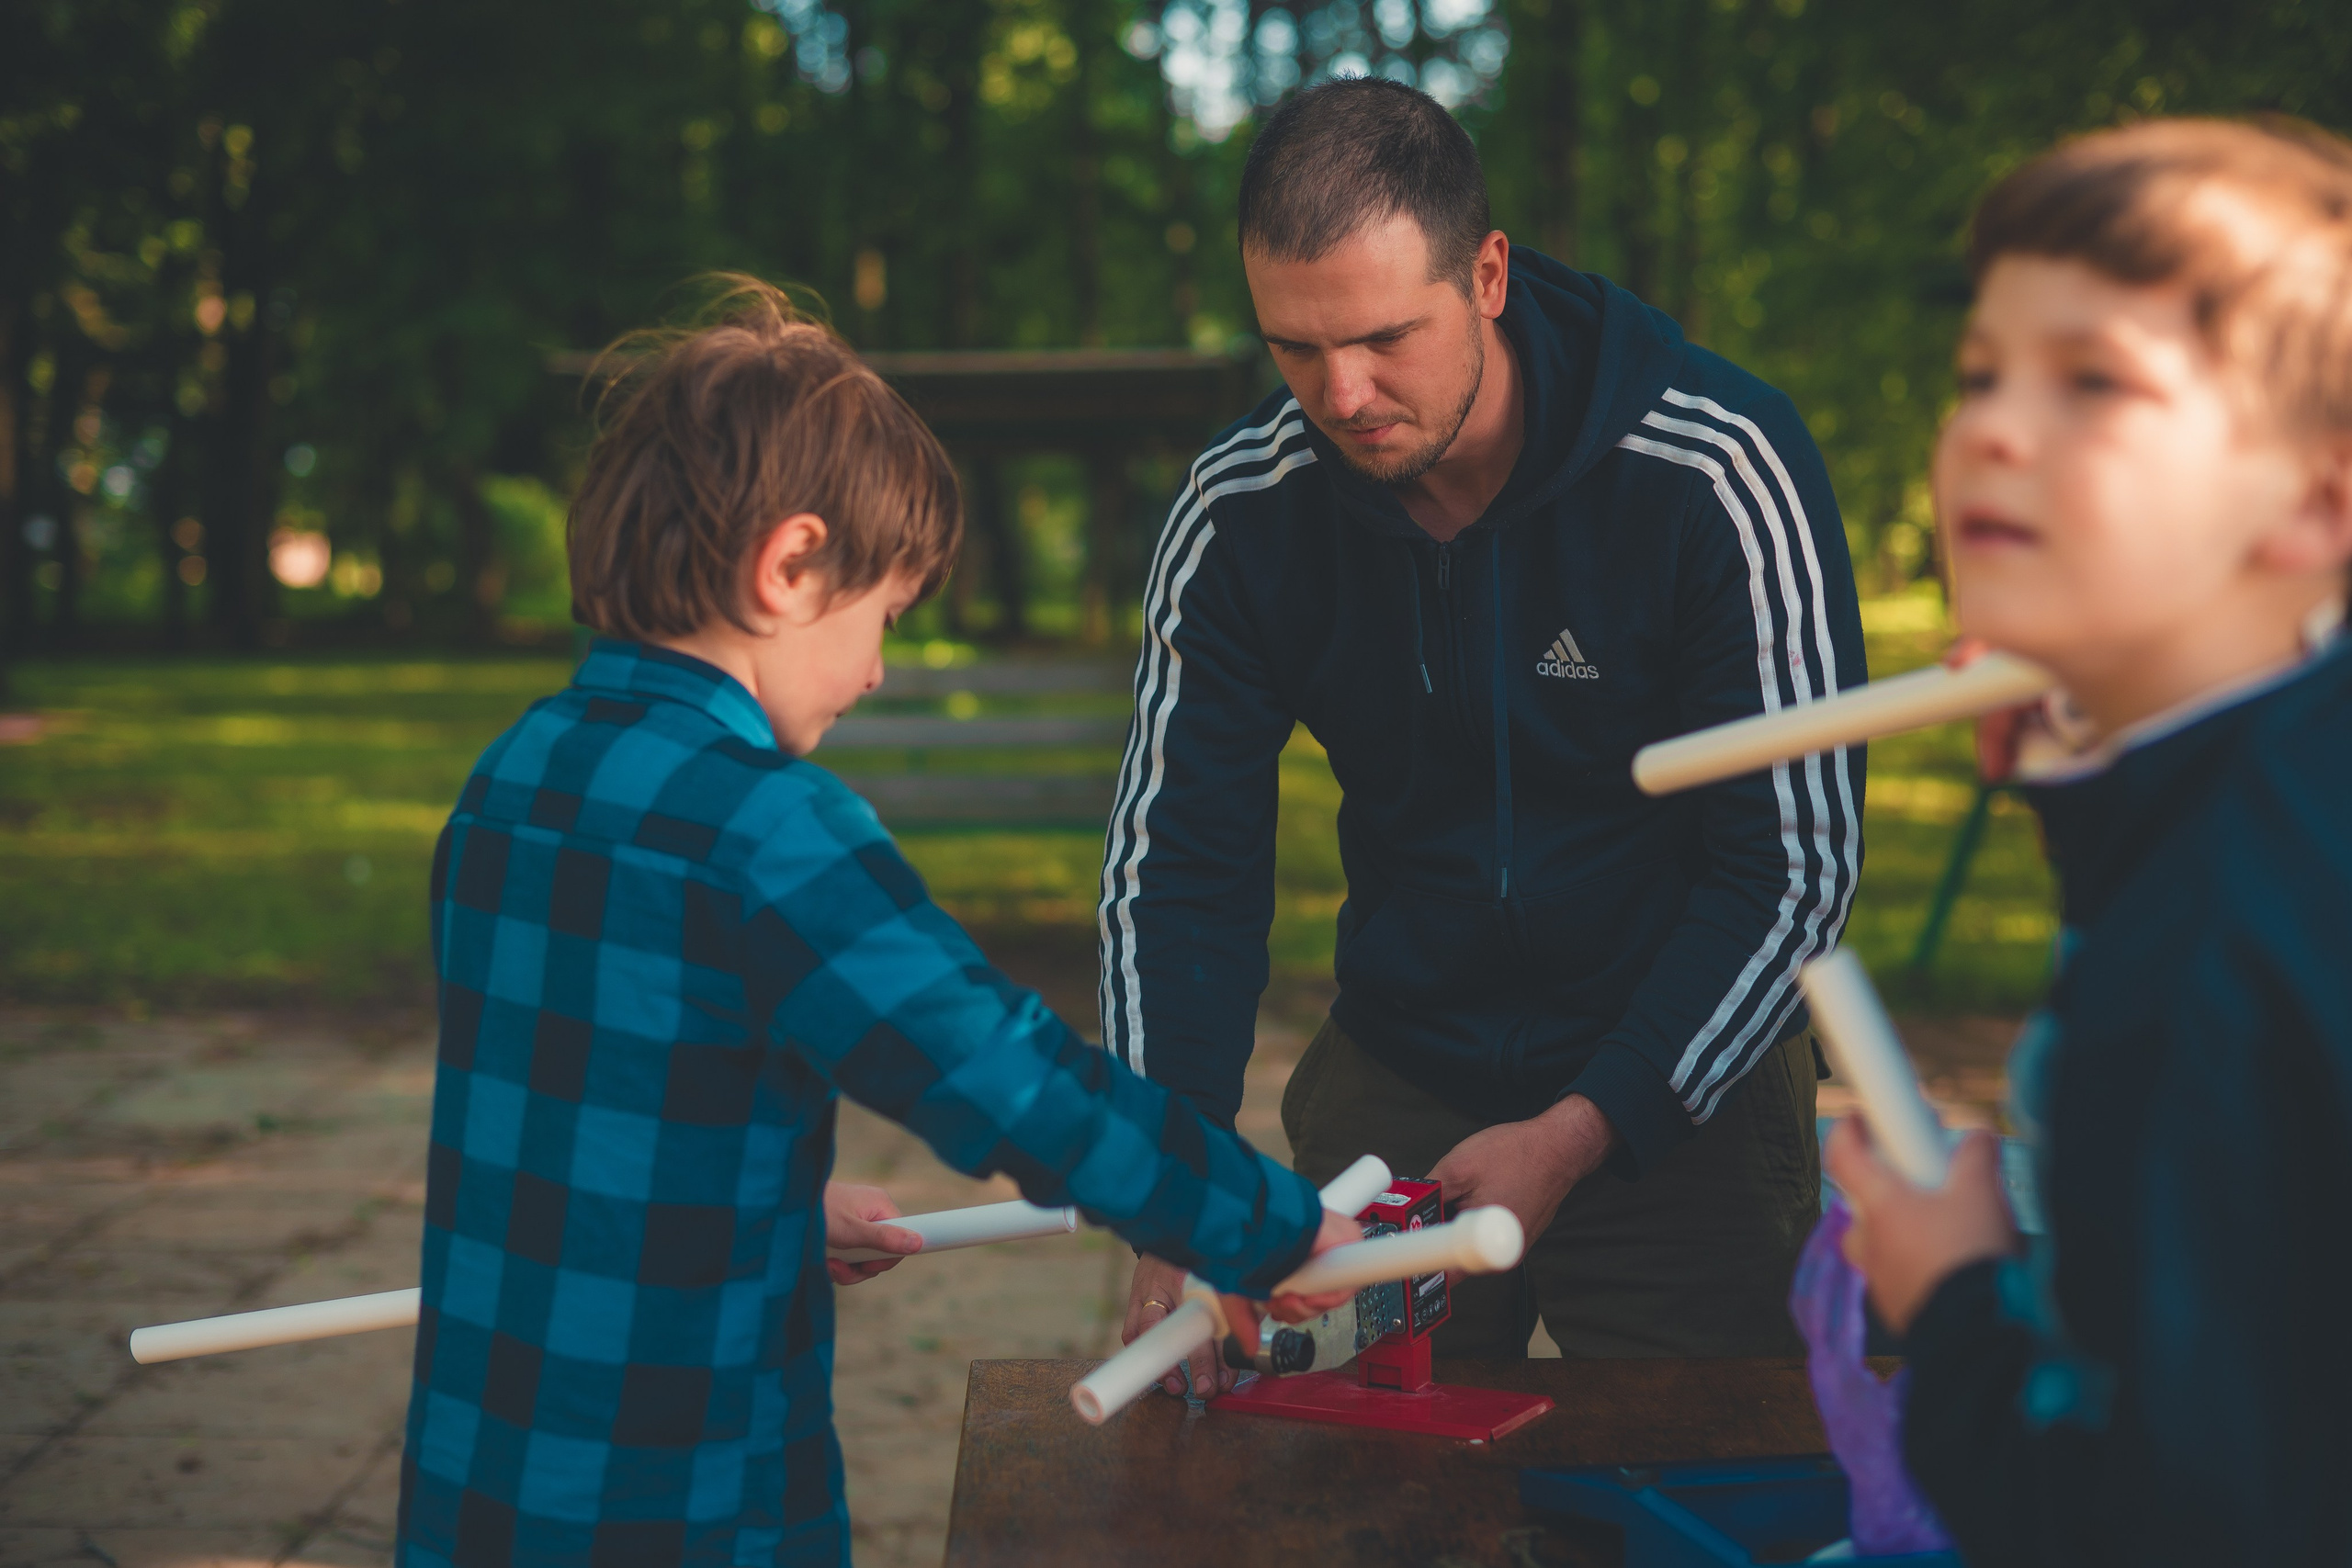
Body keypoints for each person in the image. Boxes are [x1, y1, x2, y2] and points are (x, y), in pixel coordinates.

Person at [393, 279, 1357, 1568]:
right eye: (883, 615)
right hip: (683, 1503)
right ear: (790, 567)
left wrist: (777, 1205)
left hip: (482, 1484)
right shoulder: (768, 832)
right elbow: (1009, 1076)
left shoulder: (512, 781)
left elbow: (585, 1117)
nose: (879, 671)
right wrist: (1261, 1222)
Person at [1105, 75, 1867, 1400]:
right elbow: (1177, 873)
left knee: (1714, 1496)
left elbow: (1794, 868)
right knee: (1331, 1494)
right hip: (1397, 1071)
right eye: (1294, 346)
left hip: (1678, 1078)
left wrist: (1581, 1131)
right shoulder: (1241, 514)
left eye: (1387, 336)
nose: (1341, 395)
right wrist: (1173, 1182)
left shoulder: (1713, 469)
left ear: (1490, 274)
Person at [1826, 118, 2352, 1564]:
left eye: (2094, 383)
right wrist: (2089, 788)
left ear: (2316, 497)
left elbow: (2152, 1524)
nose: (1993, 429)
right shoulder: (2286, 795)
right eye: (1982, 376)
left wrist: (1950, 1295)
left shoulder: (2191, 973)